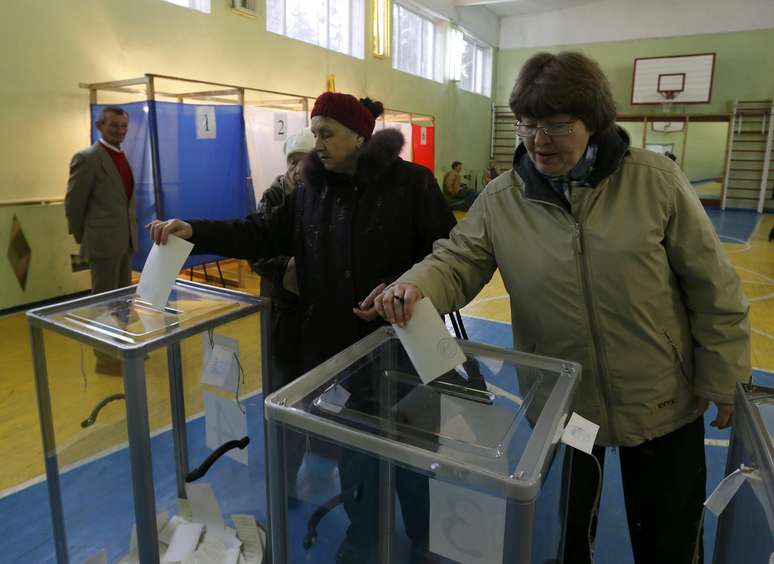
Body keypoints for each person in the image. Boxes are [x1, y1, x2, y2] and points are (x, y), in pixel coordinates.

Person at [375, 51, 750, 564]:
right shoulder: (502, 198)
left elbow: (714, 287)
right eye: (526, 124)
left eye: (555, 124)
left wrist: (724, 376)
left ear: (593, 122)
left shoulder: (654, 180)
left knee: (670, 538)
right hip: (565, 404)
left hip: (662, 397)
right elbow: (457, 260)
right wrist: (416, 286)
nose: (537, 140)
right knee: (564, 536)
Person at [148, 91, 456, 564]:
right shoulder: (311, 191)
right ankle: (365, 539)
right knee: (356, 453)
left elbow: (444, 255)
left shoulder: (411, 185)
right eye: (315, 134)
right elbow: (259, 231)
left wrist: (407, 289)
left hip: (402, 346)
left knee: (413, 453)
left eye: (327, 134)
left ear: (360, 135)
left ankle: (425, 538)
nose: (319, 144)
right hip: (338, 352)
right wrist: (197, 231)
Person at [65, 106, 138, 374]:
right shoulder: (88, 158)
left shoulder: (121, 156)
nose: (120, 130)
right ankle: (105, 358)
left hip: (124, 241)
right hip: (103, 244)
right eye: (114, 125)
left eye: (123, 126)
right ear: (100, 125)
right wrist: (87, 238)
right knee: (104, 302)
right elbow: (74, 204)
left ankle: (124, 349)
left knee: (122, 300)